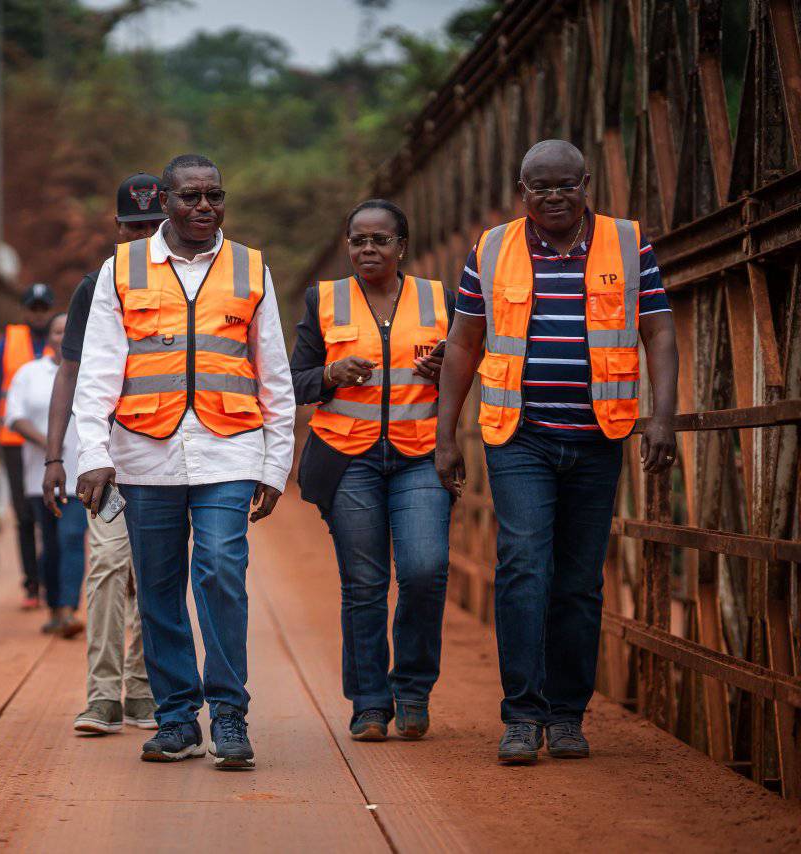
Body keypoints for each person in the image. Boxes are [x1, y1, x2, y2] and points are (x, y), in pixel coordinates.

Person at [435, 139, 678, 765]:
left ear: (586, 183)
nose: (553, 197)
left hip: (601, 435)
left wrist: (663, 418)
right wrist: (445, 434)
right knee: (522, 567)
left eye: (565, 184)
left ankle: (567, 716)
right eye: (539, 187)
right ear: (522, 191)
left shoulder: (628, 244)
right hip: (520, 435)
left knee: (578, 582)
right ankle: (521, 716)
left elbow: (659, 329)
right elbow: (463, 343)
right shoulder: (492, 249)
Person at [75, 154, 296, 770]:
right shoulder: (120, 269)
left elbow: (273, 371)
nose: (205, 207)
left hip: (230, 445)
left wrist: (276, 465)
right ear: (164, 203)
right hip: (145, 452)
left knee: (222, 567)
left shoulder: (251, 268)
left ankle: (228, 713)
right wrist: (92, 454)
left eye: (215, 196)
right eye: (191, 197)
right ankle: (177, 719)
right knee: (160, 587)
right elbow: (97, 370)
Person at [291, 199, 453, 743]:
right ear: (347, 245)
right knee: (364, 583)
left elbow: (474, 365)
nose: (368, 249)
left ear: (401, 246)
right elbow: (295, 381)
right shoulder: (325, 300)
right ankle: (370, 703)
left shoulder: (439, 298)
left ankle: (412, 690)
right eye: (358, 240)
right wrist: (331, 373)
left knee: (425, 571)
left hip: (419, 454)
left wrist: (446, 366)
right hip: (348, 458)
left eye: (380, 240)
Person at [44, 173, 164, 735]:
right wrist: (55, 457)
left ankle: (142, 691)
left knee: (153, 572)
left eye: (153, 226)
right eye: (133, 227)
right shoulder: (98, 286)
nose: (142, 237)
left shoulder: (190, 286)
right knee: (109, 564)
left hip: (167, 456)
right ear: (117, 229)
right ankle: (101, 695)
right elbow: (69, 373)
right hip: (107, 457)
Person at [0, 283, 55, 608]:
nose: (38, 314)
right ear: (24, 311)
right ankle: (31, 584)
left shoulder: (63, 342)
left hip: (53, 443)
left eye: (43, 308)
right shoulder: (5, 346)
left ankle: (52, 579)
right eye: (32, 308)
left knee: (52, 511)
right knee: (24, 515)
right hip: (15, 443)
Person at [6, 314, 87, 638]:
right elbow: (14, 417)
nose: (63, 335)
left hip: (80, 474)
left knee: (71, 536)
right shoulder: (29, 373)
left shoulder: (90, 370)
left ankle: (68, 609)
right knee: (50, 543)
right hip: (38, 476)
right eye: (57, 330)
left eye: (70, 329)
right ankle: (53, 607)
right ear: (49, 337)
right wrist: (49, 444)